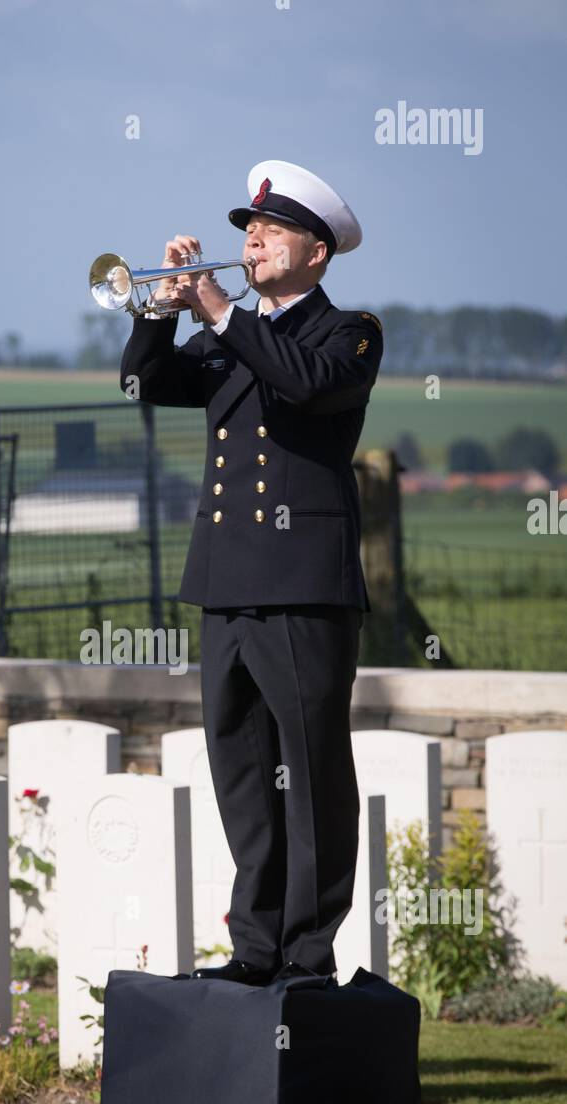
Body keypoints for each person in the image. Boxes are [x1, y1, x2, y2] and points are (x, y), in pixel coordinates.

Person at [119, 159, 383, 985]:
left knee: (311, 775)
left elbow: (302, 385)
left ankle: (308, 955)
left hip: (304, 588)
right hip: (227, 583)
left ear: (317, 254)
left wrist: (223, 311)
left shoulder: (349, 332)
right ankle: (255, 949)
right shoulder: (230, 335)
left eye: (270, 230)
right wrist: (160, 311)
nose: (252, 238)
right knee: (240, 775)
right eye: (246, 230)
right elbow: (143, 382)